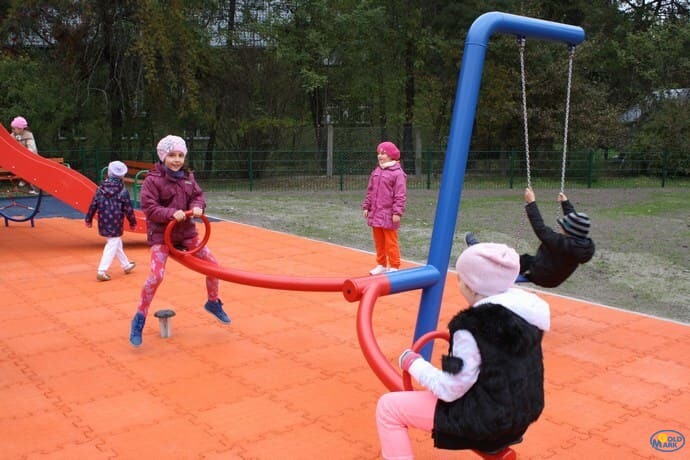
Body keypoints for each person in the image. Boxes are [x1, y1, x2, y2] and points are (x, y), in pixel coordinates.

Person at [376, 243, 550, 459]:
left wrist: (414, 363)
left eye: (461, 278)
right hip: (520, 418)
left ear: (472, 287)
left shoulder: (471, 328)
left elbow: (450, 388)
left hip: (485, 422)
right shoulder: (528, 315)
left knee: (389, 407)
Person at [129, 134, 230, 347]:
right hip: (161, 236)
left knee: (214, 266)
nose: (177, 160)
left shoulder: (188, 178)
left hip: (186, 234)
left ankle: (213, 301)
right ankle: (139, 317)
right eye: (172, 155)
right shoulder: (152, 180)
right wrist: (170, 214)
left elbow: (198, 196)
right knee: (156, 276)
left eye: (180, 155)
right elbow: (149, 208)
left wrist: (197, 207)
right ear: (163, 156)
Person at [465, 188, 595, 288]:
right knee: (524, 259)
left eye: (563, 227)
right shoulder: (582, 245)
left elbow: (540, 229)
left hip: (541, 275)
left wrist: (531, 203)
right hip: (553, 275)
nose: (561, 227)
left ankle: (481, 252)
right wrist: (565, 203)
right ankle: (495, 259)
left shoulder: (561, 244)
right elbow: (575, 222)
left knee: (513, 259)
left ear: (570, 231)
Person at [85, 161, 137, 281]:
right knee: (112, 244)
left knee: (116, 242)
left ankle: (126, 265)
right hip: (116, 221)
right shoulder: (122, 190)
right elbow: (128, 208)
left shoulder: (101, 188)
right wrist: (132, 222)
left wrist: (89, 218)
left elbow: (93, 204)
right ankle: (102, 270)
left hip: (103, 220)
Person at [362, 141, 407, 275]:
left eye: (383, 153)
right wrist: (366, 206)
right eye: (379, 153)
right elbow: (370, 191)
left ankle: (394, 265)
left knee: (391, 241)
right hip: (376, 212)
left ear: (391, 155)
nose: (380, 156)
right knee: (379, 241)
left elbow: (400, 194)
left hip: (389, 214)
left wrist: (397, 212)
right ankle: (381, 264)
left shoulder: (398, 173)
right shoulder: (376, 171)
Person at [9, 116, 39, 194]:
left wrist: (25, 154)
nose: (12, 130)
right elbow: (9, 145)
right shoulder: (13, 135)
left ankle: (35, 188)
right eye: (12, 128)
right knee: (23, 168)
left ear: (20, 129)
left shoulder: (28, 135)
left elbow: (32, 148)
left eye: (14, 128)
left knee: (32, 172)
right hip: (19, 158)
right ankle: (24, 179)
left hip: (29, 158)